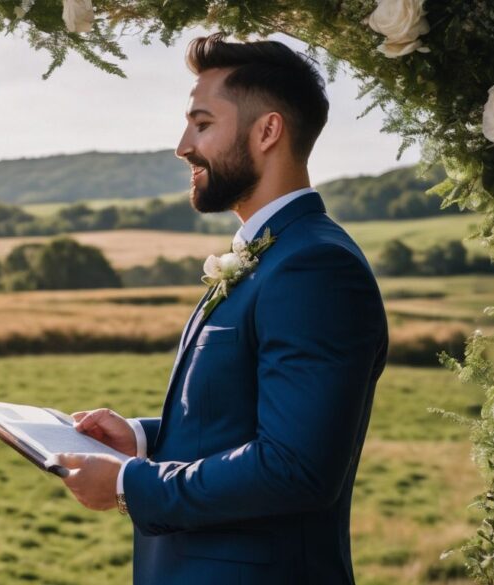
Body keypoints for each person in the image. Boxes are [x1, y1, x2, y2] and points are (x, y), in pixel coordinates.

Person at [55, 34, 388, 584]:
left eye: (203, 124)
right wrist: (140, 439)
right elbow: (239, 421)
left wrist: (125, 483)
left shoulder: (316, 268)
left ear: (267, 131)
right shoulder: (273, 254)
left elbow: (294, 468)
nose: (183, 145)